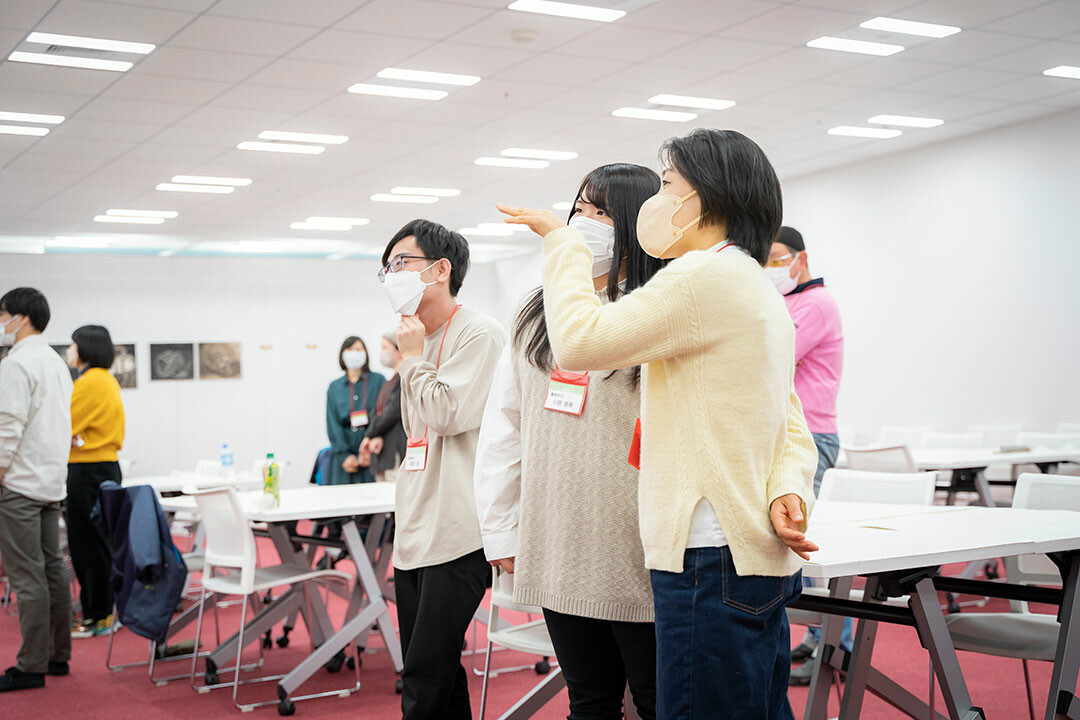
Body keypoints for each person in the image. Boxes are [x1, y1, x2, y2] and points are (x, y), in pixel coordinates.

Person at [498, 128, 819, 720]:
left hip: (708, 553)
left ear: (705, 198)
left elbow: (579, 342)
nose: (658, 200)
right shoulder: (749, 281)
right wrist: (787, 488)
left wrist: (562, 245)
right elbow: (789, 421)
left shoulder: (699, 278)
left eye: (668, 185)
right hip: (746, 547)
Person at [475, 163, 664, 719]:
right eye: (580, 208)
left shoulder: (653, 309)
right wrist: (500, 526)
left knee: (658, 701)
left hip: (634, 544)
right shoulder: (538, 310)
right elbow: (504, 425)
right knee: (589, 701)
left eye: (602, 212)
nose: (584, 222)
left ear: (637, 224)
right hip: (557, 538)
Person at [377, 219, 506, 720]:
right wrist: (413, 356)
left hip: (458, 531)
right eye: (386, 268)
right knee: (439, 673)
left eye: (401, 263)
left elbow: (447, 413)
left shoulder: (479, 333)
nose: (392, 276)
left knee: (423, 677)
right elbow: (418, 434)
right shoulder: (417, 339)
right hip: (414, 529)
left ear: (440, 270)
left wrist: (411, 361)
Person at [765, 226, 848, 684]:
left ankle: (838, 647)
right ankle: (819, 638)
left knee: (808, 542)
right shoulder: (787, 303)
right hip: (790, 434)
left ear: (801, 258)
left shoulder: (816, 303)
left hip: (811, 434)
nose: (771, 267)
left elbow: (772, 356)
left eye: (777, 257)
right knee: (798, 539)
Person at [0, 288, 74, 692]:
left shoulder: (16, 363)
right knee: (52, 570)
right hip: (49, 482)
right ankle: (55, 656)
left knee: (27, 575)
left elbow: (7, 426)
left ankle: (30, 665)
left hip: (20, 484)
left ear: (22, 318)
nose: (2, 323)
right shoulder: (55, 362)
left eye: (3, 315)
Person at [66, 325, 125, 638]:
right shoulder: (105, 379)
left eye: (73, 345)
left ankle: (98, 616)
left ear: (86, 348)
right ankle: (100, 613)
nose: (69, 351)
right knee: (97, 543)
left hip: (88, 469)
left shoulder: (90, 382)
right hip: (100, 466)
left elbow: (65, 425)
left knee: (88, 546)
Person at [324, 337, 385, 486]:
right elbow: (333, 424)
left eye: (358, 349)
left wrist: (369, 448)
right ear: (342, 355)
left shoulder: (378, 381)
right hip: (343, 458)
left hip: (371, 453)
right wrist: (344, 455)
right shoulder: (335, 387)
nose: (354, 354)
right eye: (350, 350)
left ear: (365, 353)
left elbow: (383, 416)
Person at [360, 331, 407, 482]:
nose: (382, 352)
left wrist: (369, 435)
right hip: (381, 454)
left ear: (399, 350)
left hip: (396, 452)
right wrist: (374, 435)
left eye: (385, 348)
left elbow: (391, 413)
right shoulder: (389, 381)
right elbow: (377, 412)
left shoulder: (404, 378)